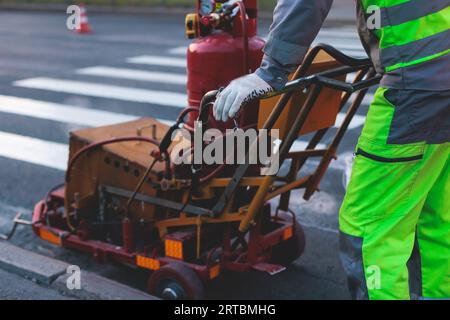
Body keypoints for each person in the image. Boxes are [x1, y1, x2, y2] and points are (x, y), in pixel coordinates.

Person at [213, 0, 450, 300]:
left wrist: (270, 71)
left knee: (367, 229)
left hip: (415, 90)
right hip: (440, 79)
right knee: (434, 221)